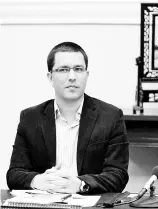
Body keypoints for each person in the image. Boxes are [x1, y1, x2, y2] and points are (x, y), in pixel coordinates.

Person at [7, 42, 129, 194]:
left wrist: (81, 184)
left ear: (86, 75)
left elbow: (118, 176)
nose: (72, 77)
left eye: (78, 69)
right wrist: (37, 180)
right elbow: (14, 174)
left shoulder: (110, 117)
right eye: (63, 70)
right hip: (44, 203)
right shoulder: (30, 118)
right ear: (50, 77)